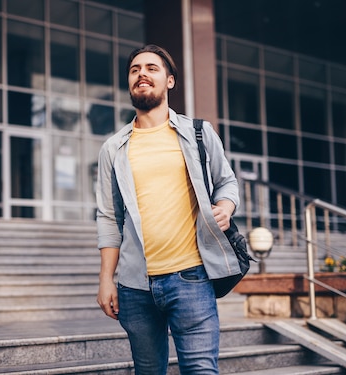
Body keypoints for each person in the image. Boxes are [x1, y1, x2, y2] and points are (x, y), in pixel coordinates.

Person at [95, 44, 241, 375]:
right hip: (135, 286)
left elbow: (228, 183)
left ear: (170, 81)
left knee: (201, 370)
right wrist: (106, 279)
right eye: (134, 70)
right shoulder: (114, 149)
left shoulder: (198, 134)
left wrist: (225, 205)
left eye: (151, 68)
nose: (141, 74)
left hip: (191, 276)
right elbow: (108, 217)